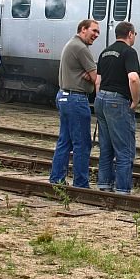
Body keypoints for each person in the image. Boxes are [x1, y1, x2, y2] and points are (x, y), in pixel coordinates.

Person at [48, 19, 100, 189]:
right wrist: (92, 77)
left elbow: (90, 75)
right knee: (82, 143)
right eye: (94, 31)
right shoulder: (81, 48)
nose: (96, 35)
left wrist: (89, 74)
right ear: (83, 29)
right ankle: (81, 183)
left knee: (65, 141)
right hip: (76, 99)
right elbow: (96, 78)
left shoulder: (72, 44)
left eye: (98, 32)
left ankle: (57, 179)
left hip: (64, 96)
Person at [95, 21, 140, 194]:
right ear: (130, 34)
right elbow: (133, 78)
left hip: (101, 99)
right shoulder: (129, 52)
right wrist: (135, 100)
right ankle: (122, 189)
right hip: (118, 101)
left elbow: (98, 81)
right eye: (134, 34)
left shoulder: (105, 52)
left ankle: (104, 184)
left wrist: (101, 98)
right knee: (124, 149)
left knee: (106, 147)